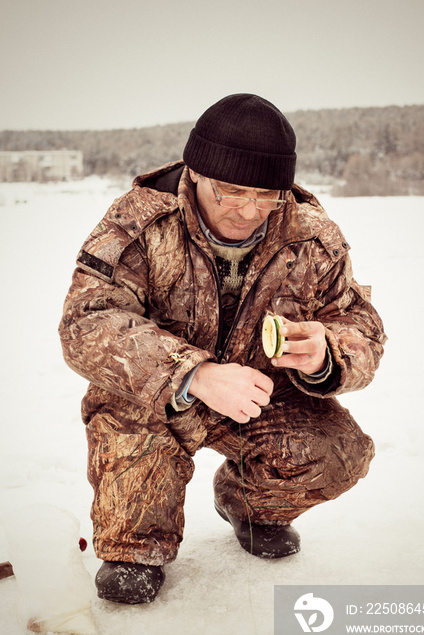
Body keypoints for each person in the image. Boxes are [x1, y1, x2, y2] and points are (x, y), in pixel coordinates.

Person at [59, 93, 387, 605]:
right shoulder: (139, 223)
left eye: (266, 195)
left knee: (338, 453)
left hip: (260, 399)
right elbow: (86, 323)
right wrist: (194, 374)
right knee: (131, 562)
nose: (248, 210)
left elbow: (361, 326)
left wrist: (328, 353)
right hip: (157, 403)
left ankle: (247, 505)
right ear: (196, 173)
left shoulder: (312, 236)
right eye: (231, 191)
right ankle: (135, 543)